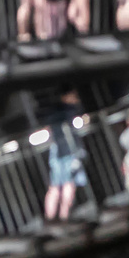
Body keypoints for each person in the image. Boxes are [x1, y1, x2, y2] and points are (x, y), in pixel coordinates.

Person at [44, 88, 88, 222]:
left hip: (58, 151)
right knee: (66, 185)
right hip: (68, 151)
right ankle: (63, 217)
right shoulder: (70, 112)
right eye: (73, 96)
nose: (76, 99)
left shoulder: (54, 113)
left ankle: (51, 219)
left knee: (56, 187)